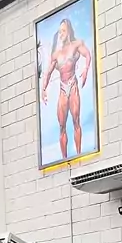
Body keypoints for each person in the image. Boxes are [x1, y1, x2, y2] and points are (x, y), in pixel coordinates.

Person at [41, 18, 91, 159]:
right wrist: (43, 89)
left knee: (76, 121)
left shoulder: (76, 45)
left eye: (63, 31)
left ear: (68, 30)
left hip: (73, 86)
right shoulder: (56, 54)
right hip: (63, 90)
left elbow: (87, 55)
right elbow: (48, 73)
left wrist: (86, 69)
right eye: (59, 32)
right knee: (62, 126)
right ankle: (64, 159)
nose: (61, 34)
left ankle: (79, 155)